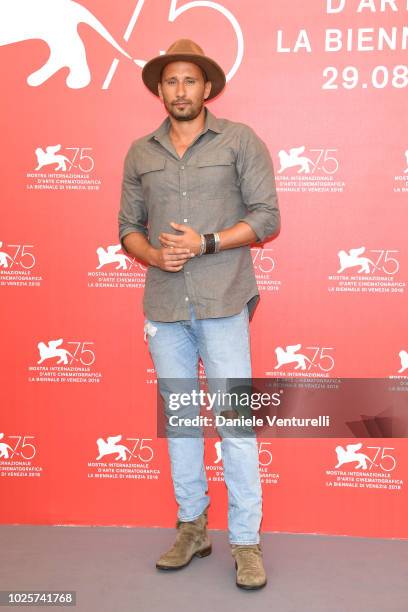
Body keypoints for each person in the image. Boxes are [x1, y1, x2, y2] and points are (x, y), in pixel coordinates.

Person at [118, 39, 280, 590]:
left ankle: (245, 541)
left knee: (235, 424)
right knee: (183, 423)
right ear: (160, 89)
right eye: (171, 81)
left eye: (190, 80)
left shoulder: (240, 140)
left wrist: (206, 242)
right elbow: (126, 228)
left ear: (207, 87)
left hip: (224, 301)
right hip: (164, 308)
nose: (180, 90)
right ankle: (193, 527)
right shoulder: (141, 152)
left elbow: (266, 217)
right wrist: (154, 254)